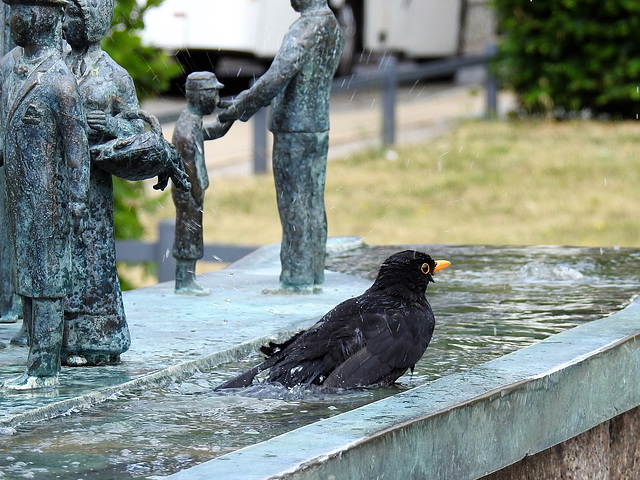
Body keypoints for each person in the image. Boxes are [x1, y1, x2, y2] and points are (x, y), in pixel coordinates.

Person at [219, 0, 344, 293]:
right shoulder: (332, 25)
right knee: (312, 203)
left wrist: (241, 106)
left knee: (294, 205)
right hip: (316, 125)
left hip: (294, 128)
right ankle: (312, 275)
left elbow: (277, 75)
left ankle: (297, 279)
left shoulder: (306, 27)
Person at [0, 0, 90, 389]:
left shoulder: (58, 79)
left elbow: (77, 143)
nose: (9, 18)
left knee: (48, 280)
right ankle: (36, 357)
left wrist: (77, 196)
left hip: (49, 199)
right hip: (17, 195)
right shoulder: (8, 67)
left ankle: (44, 367)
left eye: (17, 11)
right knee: (28, 277)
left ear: (40, 18)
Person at [59, 0, 143, 366]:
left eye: (74, 16)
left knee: (93, 261)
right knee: (61, 258)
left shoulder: (115, 76)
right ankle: (57, 335)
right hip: (58, 181)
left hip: (93, 185)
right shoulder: (54, 66)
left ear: (93, 21)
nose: (66, 23)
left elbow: (139, 132)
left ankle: (101, 337)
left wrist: (110, 128)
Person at [171, 71, 232, 295]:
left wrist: (230, 117)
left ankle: (187, 278)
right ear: (200, 96)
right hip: (188, 191)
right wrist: (197, 190)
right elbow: (188, 167)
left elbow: (210, 132)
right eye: (213, 95)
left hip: (191, 190)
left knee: (190, 231)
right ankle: (184, 281)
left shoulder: (192, 121)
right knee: (188, 232)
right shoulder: (187, 128)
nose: (216, 101)